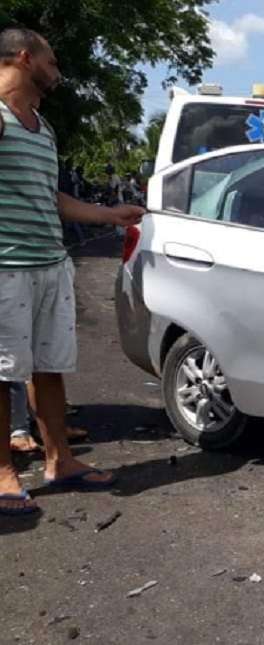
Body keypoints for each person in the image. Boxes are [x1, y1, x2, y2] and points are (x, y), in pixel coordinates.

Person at [0, 27, 144, 515]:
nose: (57, 72)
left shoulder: (41, 125)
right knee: (3, 375)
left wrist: (109, 214)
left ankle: (59, 460)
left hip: (49, 264)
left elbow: (49, 197)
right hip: (7, 267)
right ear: (24, 58)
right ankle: (2, 472)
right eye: (52, 62)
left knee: (49, 367)